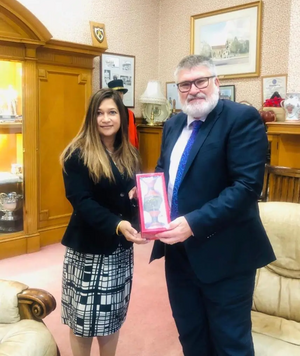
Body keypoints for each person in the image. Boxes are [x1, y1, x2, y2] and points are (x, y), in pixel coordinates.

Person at [150, 55, 276, 356]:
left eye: (200, 81)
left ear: (216, 82)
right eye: (184, 84)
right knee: (191, 336)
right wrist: (144, 193)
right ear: (177, 90)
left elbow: (246, 187)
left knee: (230, 343)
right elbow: (161, 173)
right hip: (178, 254)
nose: (193, 90)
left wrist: (193, 223)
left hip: (226, 255)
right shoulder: (173, 124)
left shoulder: (240, 119)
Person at [60, 88, 147, 356]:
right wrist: (118, 224)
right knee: (82, 322)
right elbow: (83, 202)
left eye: (111, 112)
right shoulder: (77, 153)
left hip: (119, 251)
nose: (105, 119)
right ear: (91, 117)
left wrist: (138, 208)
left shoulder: (129, 154)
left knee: (111, 321)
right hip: (88, 250)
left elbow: (130, 199)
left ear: (122, 116)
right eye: (99, 113)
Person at [108, 79, 139, 148]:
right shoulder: (106, 114)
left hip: (128, 151)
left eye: (121, 92)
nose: (119, 95)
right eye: (116, 92)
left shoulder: (130, 114)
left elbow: (134, 137)